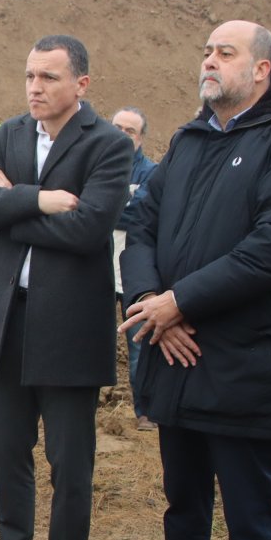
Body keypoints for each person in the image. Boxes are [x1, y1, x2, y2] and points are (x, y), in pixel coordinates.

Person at [120, 20, 271, 540]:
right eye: (207, 51)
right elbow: (140, 226)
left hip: (246, 365)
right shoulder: (189, 140)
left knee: (250, 521)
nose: (209, 61)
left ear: (261, 70)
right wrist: (149, 303)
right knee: (183, 510)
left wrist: (180, 301)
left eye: (226, 53)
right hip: (177, 360)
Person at [0, 35, 132, 540]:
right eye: (30, 76)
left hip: (69, 330)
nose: (35, 87)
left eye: (49, 77)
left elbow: (87, 230)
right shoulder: (7, 134)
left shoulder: (108, 144)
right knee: (9, 458)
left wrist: (12, 200)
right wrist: (40, 199)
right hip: (5, 323)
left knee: (70, 467)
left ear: (81, 83)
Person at [109, 106, 158, 431]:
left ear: (141, 138)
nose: (122, 135)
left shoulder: (152, 173)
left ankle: (146, 412)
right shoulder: (96, 165)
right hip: (97, 271)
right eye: (117, 128)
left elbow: (143, 215)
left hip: (134, 276)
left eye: (130, 131)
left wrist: (103, 208)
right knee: (91, 343)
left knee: (140, 345)